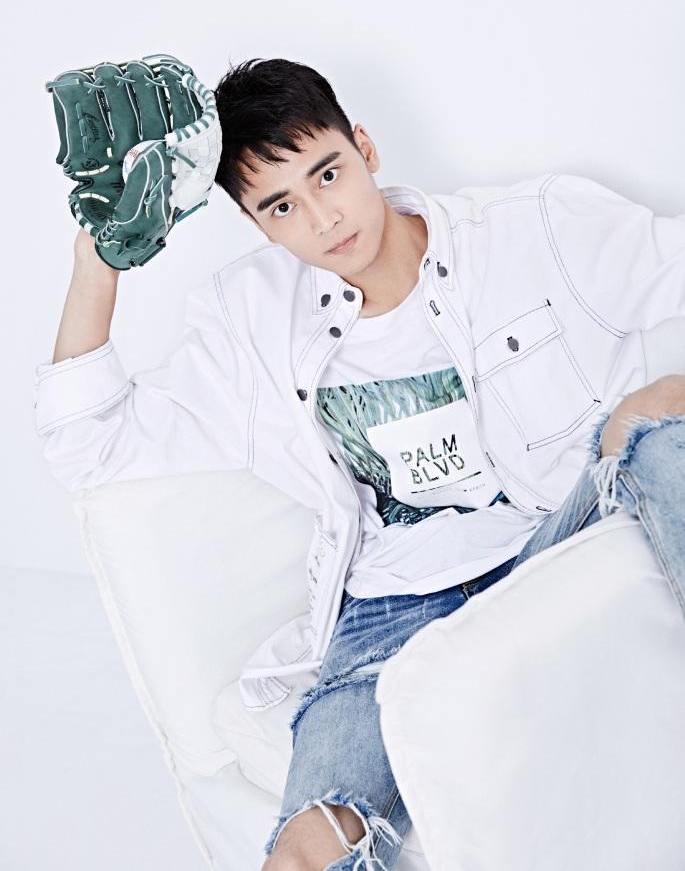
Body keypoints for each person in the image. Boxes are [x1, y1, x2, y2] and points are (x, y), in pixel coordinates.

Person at [34, 57, 685, 871]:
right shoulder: (251, 321)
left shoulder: (531, 229)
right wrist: (98, 256)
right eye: (280, 205)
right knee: (303, 850)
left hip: (545, 549)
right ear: (258, 225)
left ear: (365, 148)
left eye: (327, 173)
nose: (322, 217)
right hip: (392, 610)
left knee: (659, 409)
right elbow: (86, 443)